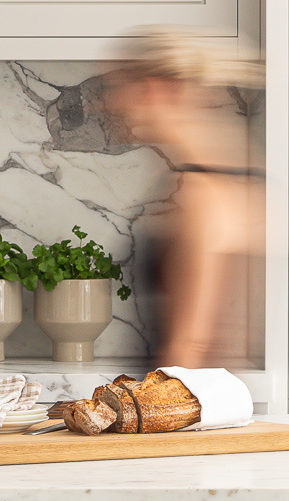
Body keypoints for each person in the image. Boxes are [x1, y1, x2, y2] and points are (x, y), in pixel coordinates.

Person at [100, 28, 264, 369]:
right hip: (209, 407)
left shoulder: (202, 193)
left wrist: (145, 412)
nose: (111, 103)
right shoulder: (221, 170)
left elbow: (190, 346)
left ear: (158, 88)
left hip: (191, 408)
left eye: (119, 88)